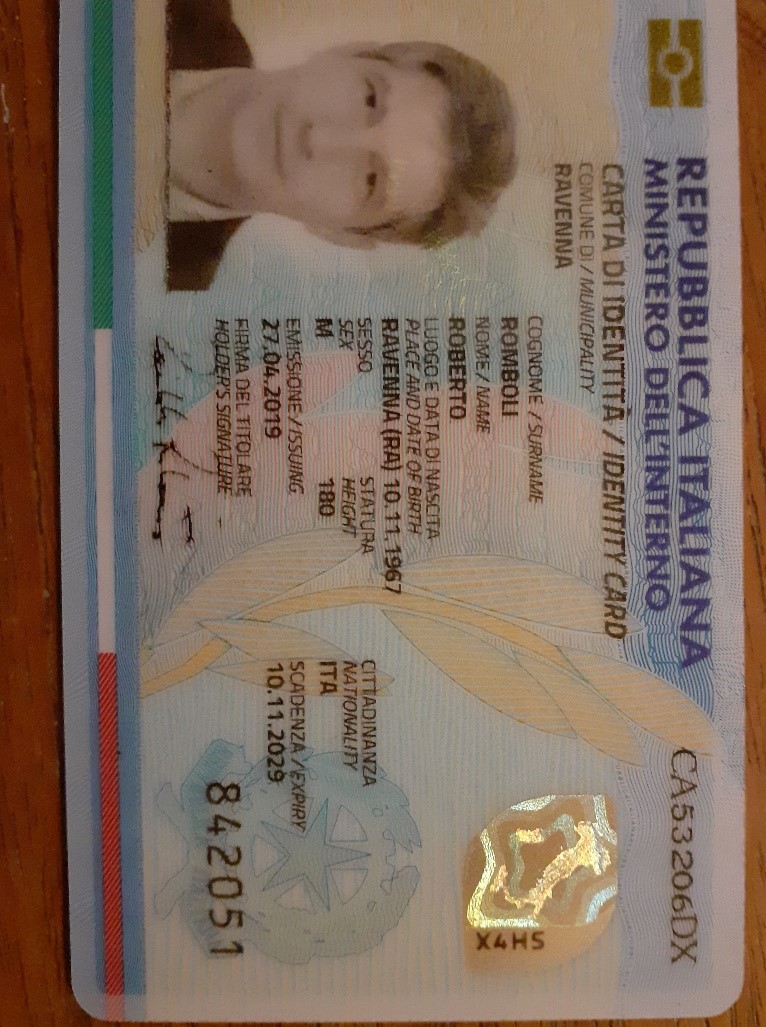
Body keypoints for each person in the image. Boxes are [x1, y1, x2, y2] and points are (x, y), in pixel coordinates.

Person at [167, 0, 516, 291]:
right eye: (368, 98)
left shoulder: (169, 293)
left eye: (369, 181)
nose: (320, 139)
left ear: (340, 235)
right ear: (346, 52)